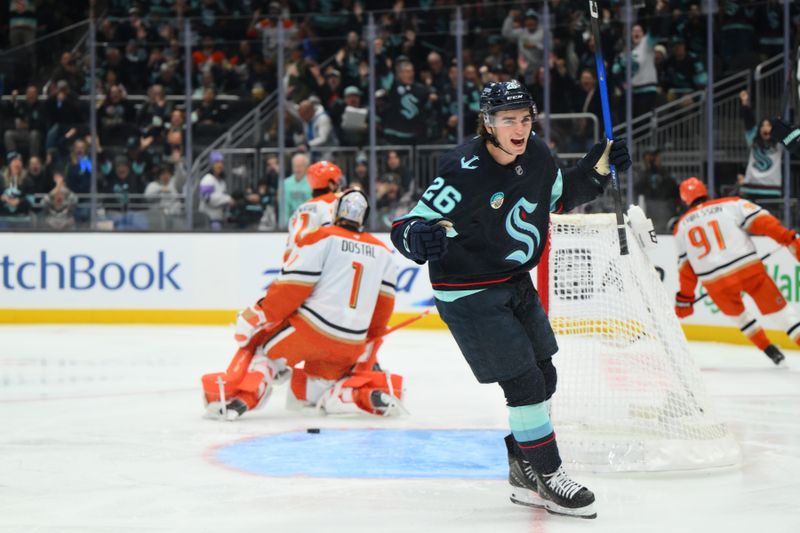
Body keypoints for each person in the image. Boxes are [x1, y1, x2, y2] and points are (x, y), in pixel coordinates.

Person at [389, 80, 631, 519]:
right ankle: (550, 475)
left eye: (525, 119)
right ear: (488, 123)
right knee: (524, 384)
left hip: (514, 280)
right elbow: (409, 224)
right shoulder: (463, 169)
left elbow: (559, 196)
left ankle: (524, 469)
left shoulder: (536, 153)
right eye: (508, 120)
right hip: (467, 290)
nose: (519, 129)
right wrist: (416, 237)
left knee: (544, 374)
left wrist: (595, 171)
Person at [201, 190, 401, 420]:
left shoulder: (322, 237)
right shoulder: (384, 252)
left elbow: (292, 288)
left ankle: (244, 399)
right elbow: (383, 307)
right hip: (351, 342)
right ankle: (354, 396)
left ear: (337, 211)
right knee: (313, 392)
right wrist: (369, 339)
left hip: (311, 331)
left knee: (265, 353)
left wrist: (260, 313)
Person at [673, 177, 800, 365]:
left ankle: (769, 349)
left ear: (684, 200)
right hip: (748, 269)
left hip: (715, 282)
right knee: (784, 316)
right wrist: (787, 238)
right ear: (705, 191)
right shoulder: (730, 204)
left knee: (741, 319)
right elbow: (763, 222)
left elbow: (686, 269)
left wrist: (685, 298)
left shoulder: (681, 227)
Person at [284, 160, 343, 261]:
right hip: (314, 264)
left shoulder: (300, 208)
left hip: (291, 262)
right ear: (330, 184)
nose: (339, 185)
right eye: (337, 181)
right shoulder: (333, 202)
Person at [738, 90, 783, 202]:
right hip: (751, 188)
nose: (765, 128)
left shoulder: (779, 143)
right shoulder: (753, 139)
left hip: (772, 189)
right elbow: (748, 119)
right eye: (762, 125)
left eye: (768, 125)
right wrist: (744, 103)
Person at [198, 151, 233, 230]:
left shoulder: (221, 181)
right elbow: (207, 199)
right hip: (207, 220)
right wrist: (227, 199)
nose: (219, 165)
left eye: (221, 162)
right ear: (212, 164)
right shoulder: (207, 179)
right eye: (217, 162)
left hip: (219, 218)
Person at [282, 152, 311, 227]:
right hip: (291, 224)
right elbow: (284, 208)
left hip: (308, 224)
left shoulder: (312, 183)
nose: (297, 169)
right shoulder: (286, 183)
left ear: (306, 167)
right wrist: (285, 226)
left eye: (300, 166)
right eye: (295, 166)